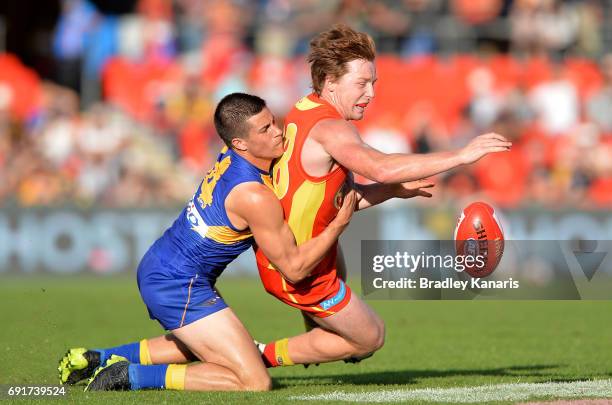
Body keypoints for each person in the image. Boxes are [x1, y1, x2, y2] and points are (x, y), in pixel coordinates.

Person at [58, 93, 357, 392]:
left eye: (274, 123)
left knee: (203, 343)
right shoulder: (253, 195)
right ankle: (129, 376)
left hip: (164, 267)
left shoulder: (232, 158)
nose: (278, 132)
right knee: (254, 381)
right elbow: (293, 269)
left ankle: (99, 359)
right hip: (177, 282)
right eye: (265, 130)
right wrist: (337, 225)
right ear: (240, 143)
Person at [253, 24, 511, 368]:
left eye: (373, 83)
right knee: (370, 337)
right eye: (361, 84)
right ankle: (261, 355)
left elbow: (341, 199)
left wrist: (389, 192)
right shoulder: (331, 128)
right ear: (330, 82)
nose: (371, 93)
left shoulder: (305, 108)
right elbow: (382, 167)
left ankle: (311, 339)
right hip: (297, 264)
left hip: (303, 252)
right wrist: (461, 155)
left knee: (343, 296)